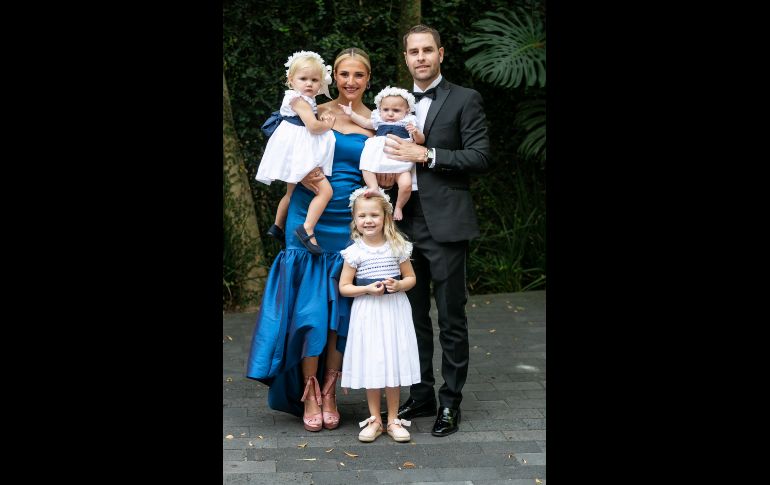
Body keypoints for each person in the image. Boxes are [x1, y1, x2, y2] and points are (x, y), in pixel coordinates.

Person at [246, 47, 375, 432]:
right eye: (343, 74)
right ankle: (309, 390)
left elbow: (392, 162)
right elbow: (280, 137)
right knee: (309, 311)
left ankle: (332, 389)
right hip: (309, 215)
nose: (350, 81)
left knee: (339, 312)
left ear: (369, 79)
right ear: (332, 77)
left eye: (359, 75)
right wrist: (294, 170)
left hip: (352, 223)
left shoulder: (381, 118)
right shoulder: (315, 107)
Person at [377, 24, 491, 437]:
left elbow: (479, 156)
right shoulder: (393, 103)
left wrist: (427, 154)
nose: (421, 57)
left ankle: (450, 401)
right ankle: (421, 391)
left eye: (428, 50)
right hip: (402, 221)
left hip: (445, 221)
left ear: (440, 54)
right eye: (413, 51)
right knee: (412, 316)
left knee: (451, 316)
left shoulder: (465, 99)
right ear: (405, 57)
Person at [338, 187, 420, 443]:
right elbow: (344, 287)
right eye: (362, 216)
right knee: (374, 361)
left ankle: (393, 419)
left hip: (394, 310)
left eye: (374, 214)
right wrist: (365, 289)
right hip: (368, 312)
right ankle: (374, 419)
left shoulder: (398, 247)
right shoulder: (354, 252)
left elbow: (411, 278)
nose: (368, 220)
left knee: (393, 360)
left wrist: (399, 285)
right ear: (355, 220)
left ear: (385, 216)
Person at [255, 50, 336, 255]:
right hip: (300, 153)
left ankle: (277, 226)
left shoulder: (301, 98)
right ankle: (307, 228)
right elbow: (312, 127)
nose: (309, 83)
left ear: (321, 83)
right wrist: (327, 125)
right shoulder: (299, 100)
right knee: (326, 191)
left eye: (314, 80)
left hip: (295, 149)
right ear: (291, 80)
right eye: (303, 79)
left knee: (290, 193)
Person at [339, 86, 424, 221]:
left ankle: (399, 207)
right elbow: (366, 123)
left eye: (396, 110)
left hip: (400, 159)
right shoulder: (379, 120)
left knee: (406, 184)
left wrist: (415, 132)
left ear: (407, 111)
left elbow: (420, 141)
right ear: (380, 109)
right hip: (379, 156)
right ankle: (373, 187)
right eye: (386, 110)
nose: (390, 114)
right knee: (366, 167)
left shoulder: (409, 122)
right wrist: (351, 114)